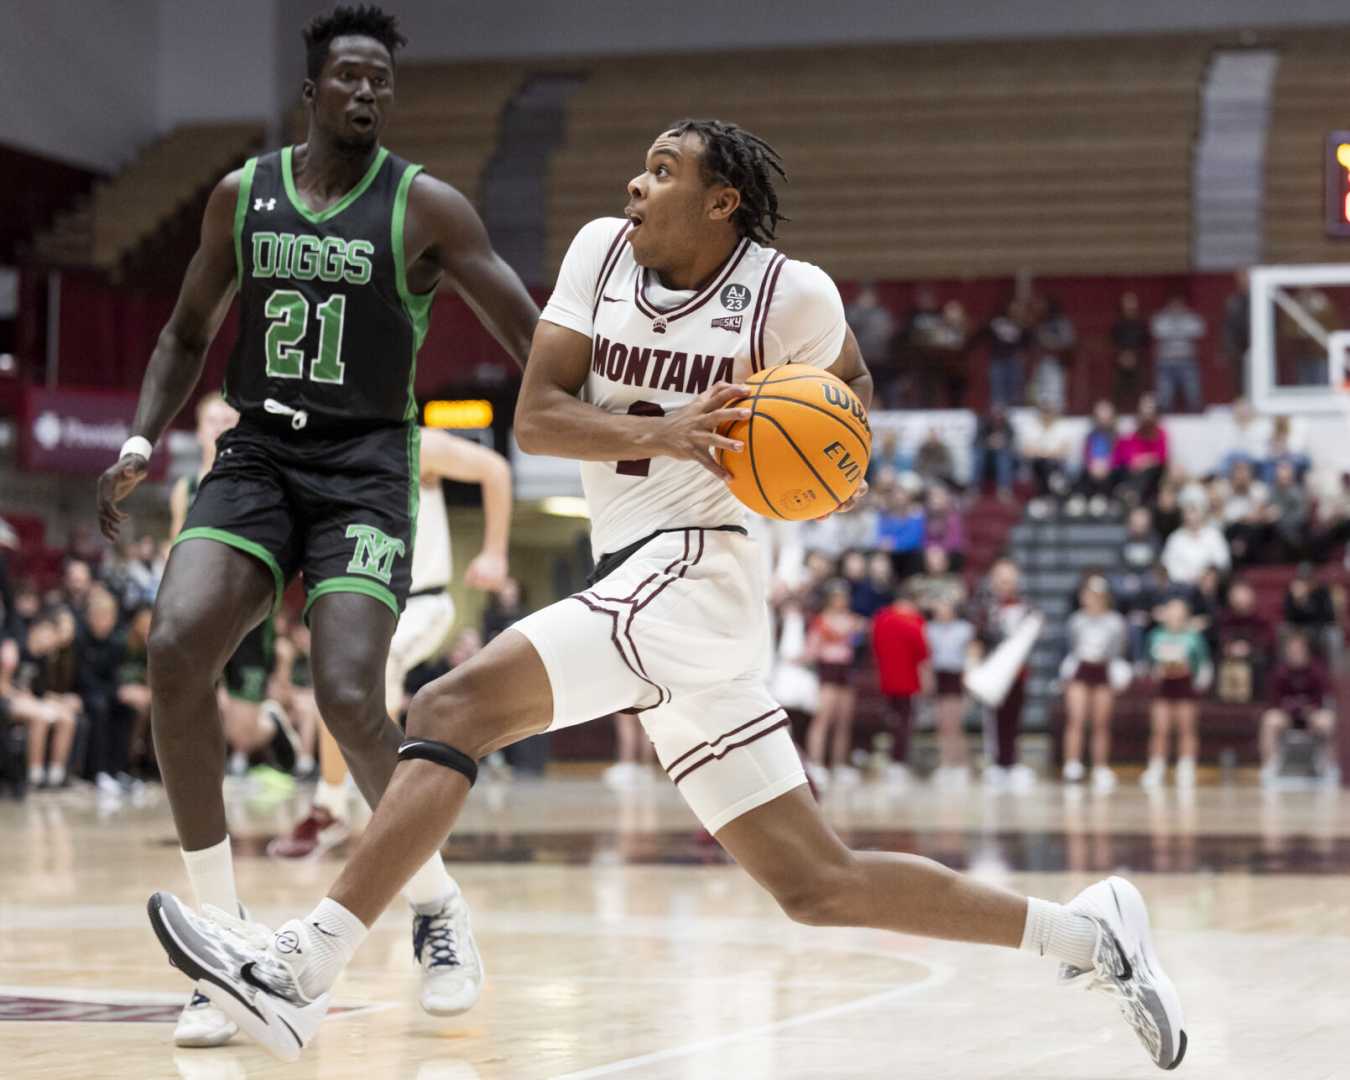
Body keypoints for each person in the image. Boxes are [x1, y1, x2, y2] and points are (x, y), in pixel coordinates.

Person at [145, 116, 1186, 1072]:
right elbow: (541, 419)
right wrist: (667, 432)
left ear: (721, 200)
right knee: (816, 882)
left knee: (446, 710)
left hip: (704, 568)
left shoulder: (793, 296)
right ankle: (1089, 934)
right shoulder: (600, 253)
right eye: (641, 169)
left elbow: (850, 422)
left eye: (662, 172)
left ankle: (300, 972)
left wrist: (814, 468)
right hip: (638, 575)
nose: (636, 186)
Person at [98, 5, 538, 1048]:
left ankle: (434, 904)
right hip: (258, 457)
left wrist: (608, 415)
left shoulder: (425, 206)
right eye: (347, 76)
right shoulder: (242, 197)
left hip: (366, 466)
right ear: (311, 92)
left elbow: (528, 328)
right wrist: (136, 441)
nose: (367, 93)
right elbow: (186, 331)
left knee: (348, 690)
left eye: (381, 80)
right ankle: (219, 945)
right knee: (174, 651)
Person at [271, 424, 513, 881]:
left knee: (370, 673)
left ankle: (356, 805)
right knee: (336, 682)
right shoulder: (334, 451)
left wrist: (495, 552)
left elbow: (495, 469)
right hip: (370, 599)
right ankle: (344, 807)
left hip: (424, 601)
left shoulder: (417, 444)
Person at [170, 392, 299, 783]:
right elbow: (176, 547)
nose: (220, 426)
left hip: (246, 618)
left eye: (228, 419)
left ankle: (271, 725)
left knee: (242, 732)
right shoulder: (186, 487)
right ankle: (203, 783)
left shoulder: (257, 482)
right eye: (212, 420)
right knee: (189, 703)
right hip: (198, 613)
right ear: (197, 432)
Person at [972, 559, 1037, 792]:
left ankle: (1012, 762)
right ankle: (997, 763)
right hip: (994, 673)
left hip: (1017, 673)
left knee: (1014, 717)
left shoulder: (1027, 607)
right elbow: (978, 639)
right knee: (994, 719)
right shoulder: (985, 608)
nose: (1005, 584)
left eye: (1009, 580)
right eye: (1001, 579)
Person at [1060, 576, 1127, 792]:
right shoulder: (1076, 621)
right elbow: (1070, 647)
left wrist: (1116, 673)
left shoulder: (1115, 622)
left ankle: (1099, 767)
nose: (1092, 599)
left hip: (1102, 672)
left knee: (1101, 723)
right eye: (1088, 594)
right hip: (1081, 671)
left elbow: (1117, 651)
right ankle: (1072, 764)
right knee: (1076, 719)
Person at [1141, 597, 1212, 789]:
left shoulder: (1193, 637)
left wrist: (1199, 681)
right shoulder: (1155, 635)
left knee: (1186, 728)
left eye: (1179, 613)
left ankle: (1186, 766)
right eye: (1171, 612)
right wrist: (1154, 673)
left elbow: (1204, 663)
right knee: (1160, 729)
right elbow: (1147, 661)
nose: (1174, 617)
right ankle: (1157, 766)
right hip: (1163, 686)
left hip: (1185, 686)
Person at [805, 581, 865, 788]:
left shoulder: (852, 620)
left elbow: (859, 639)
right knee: (824, 718)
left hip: (846, 671)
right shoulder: (821, 621)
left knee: (843, 720)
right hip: (828, 670)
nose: (842, 601)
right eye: (838, 597)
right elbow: (812, 650)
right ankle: (817, 763)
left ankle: (839, 764)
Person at [1260, 632, 1337, 786]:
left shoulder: (1318, 670)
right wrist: (1291, 710)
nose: (1295, 654)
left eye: (1299, 650)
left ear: (1306, 651)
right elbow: (1273, 701)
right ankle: (1270, 766)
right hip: (1287, 717)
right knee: (1269, 720)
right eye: (1292, 650)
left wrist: (1312, 711)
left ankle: (1328, 767)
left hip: (1312, 716)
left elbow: (1325, 698)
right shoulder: (1279, 672)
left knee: (1329, 721)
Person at [870, 587, 929, 785]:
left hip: (886, 679)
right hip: (908, 682)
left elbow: (875, 647)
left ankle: (892, 760)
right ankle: (898, 761)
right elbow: (923, 653)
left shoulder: (881, 619)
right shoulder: (915, 622)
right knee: (904, 723)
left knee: (893, 721)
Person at [924, 598, 975, 787]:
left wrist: (968, 676)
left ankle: (961, 764)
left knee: (955, 723)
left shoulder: (964, 629)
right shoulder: (930, 629)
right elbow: (928, 655)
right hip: (940, 675)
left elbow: (971, 653)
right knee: (942, 723)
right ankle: (945, 763)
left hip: (956, 675)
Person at [1160, 489, 1230, 586]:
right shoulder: (1175, 537)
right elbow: (1167, 564)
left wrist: (1205, 574)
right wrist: (1186, 577)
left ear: (1202, 513)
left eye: (1194, 511)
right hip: (1181, 585)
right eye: (1188, 512)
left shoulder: (1213, 535)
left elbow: (1222, 561)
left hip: (1208, 584)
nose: (1191, 516)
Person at [1150, 293, 1205, 413]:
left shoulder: (1190, 317)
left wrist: (1176, 329)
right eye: (1173, 304)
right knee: (1164, 395)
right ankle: (1165, 415)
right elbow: (1157, 330)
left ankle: (1195, 415)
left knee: (1193, 393)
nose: (1176, 307)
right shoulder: (1161, 318)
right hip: (1166, 361)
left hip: (1186, 360)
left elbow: (1199, 329)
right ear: (1168, 305)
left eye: (1178, 304)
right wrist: (1181, 330)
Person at [1110, 393, 1168, 506]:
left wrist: (1145, 461)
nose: (1146, 416)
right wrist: (1137, 461)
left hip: (1151, 475)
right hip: (1132, 471)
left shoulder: (1160, 433)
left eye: (1149, 412)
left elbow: (1161, 457)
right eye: (1143, 412)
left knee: (1151, 471)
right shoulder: (1131, 432)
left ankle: (1131, 494)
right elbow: (1123, 456)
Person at [1067, 399, 1119, 517]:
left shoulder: (1118, 437)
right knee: (1079, 471)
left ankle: (1102, 500)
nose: (1103, 419)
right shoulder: (1090, 436)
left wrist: (1107, 465)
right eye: (1100, 416)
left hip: (1109, 474)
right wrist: (1092, 466)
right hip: (1091, 472)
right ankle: (1080, 500)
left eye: (1106, 416)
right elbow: (1086, 456)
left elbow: (1119, 456)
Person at [1110, 291, 1149, 411]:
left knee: (1141, 386)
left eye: (1132, 303)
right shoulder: (1117, 323)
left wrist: (1135, 356)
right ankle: (1115, 412)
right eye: (1127, 303)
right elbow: (1112, 342)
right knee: (1117, 385)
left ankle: (1142, 412)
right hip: (1120, 361)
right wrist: (1122, 356)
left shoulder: (1142, 323)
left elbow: (1146, 342)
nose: (1129, 306)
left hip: (1138, 360)